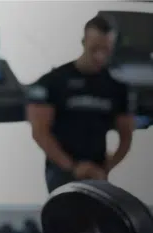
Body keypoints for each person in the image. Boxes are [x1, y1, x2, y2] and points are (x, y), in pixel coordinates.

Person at [26, 14, 134, 193]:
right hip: (61, 169)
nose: (99, 56)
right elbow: (40, 132)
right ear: (84, 42)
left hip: (98, 171)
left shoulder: (117, 88)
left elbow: (126, 136)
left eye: (105, 50)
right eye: (95, 49)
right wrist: (72, 167)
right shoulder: (54, 82)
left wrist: (108, 165)